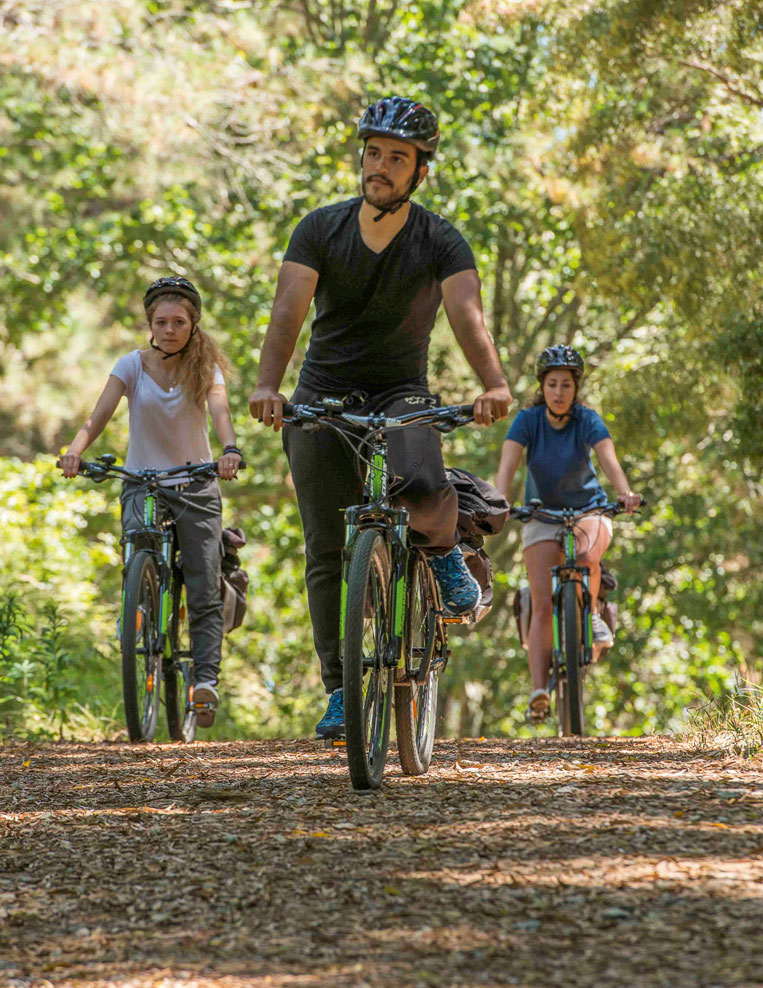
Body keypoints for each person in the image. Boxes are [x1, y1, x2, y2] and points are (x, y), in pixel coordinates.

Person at [249, 95, 513, 740]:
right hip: (324, 391)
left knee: (424, 481)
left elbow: (467, 316)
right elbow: (289, 311)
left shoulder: (439, 239)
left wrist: (494, 383)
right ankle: (341, 691)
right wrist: (268, 385)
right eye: (373, 154)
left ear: (420, 170)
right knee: (325, 549)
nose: (381, 167)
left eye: (397, 158)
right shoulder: (319, 228)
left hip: (401, 389)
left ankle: (444, 555)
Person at [58, 275, 244, 728]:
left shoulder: (206, 369)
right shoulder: (131, 365)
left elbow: (220, 412)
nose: (169, 329)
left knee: (202, 583)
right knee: (138, 551)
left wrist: (230, 450)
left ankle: (205, 682)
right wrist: (76, 451)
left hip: (197, 486)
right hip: (142, 481)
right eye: (161, 321)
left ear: (192, 324)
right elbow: (98, 414)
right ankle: (139, 606)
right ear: (150, 323)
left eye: (179, 321)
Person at [492, 345, 642, 724]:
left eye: (567, 385)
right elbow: (508, 465)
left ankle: (589, 613)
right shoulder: (527, 420)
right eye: (552, 384)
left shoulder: (587, 420)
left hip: (588, 509)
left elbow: (609, 459)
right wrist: (498, 500)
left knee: (586, 556)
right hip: (541, 513)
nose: (559, 392)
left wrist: (623, 493)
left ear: (577, 389)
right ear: (542, 387)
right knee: (542, 603)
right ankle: (539, 690)